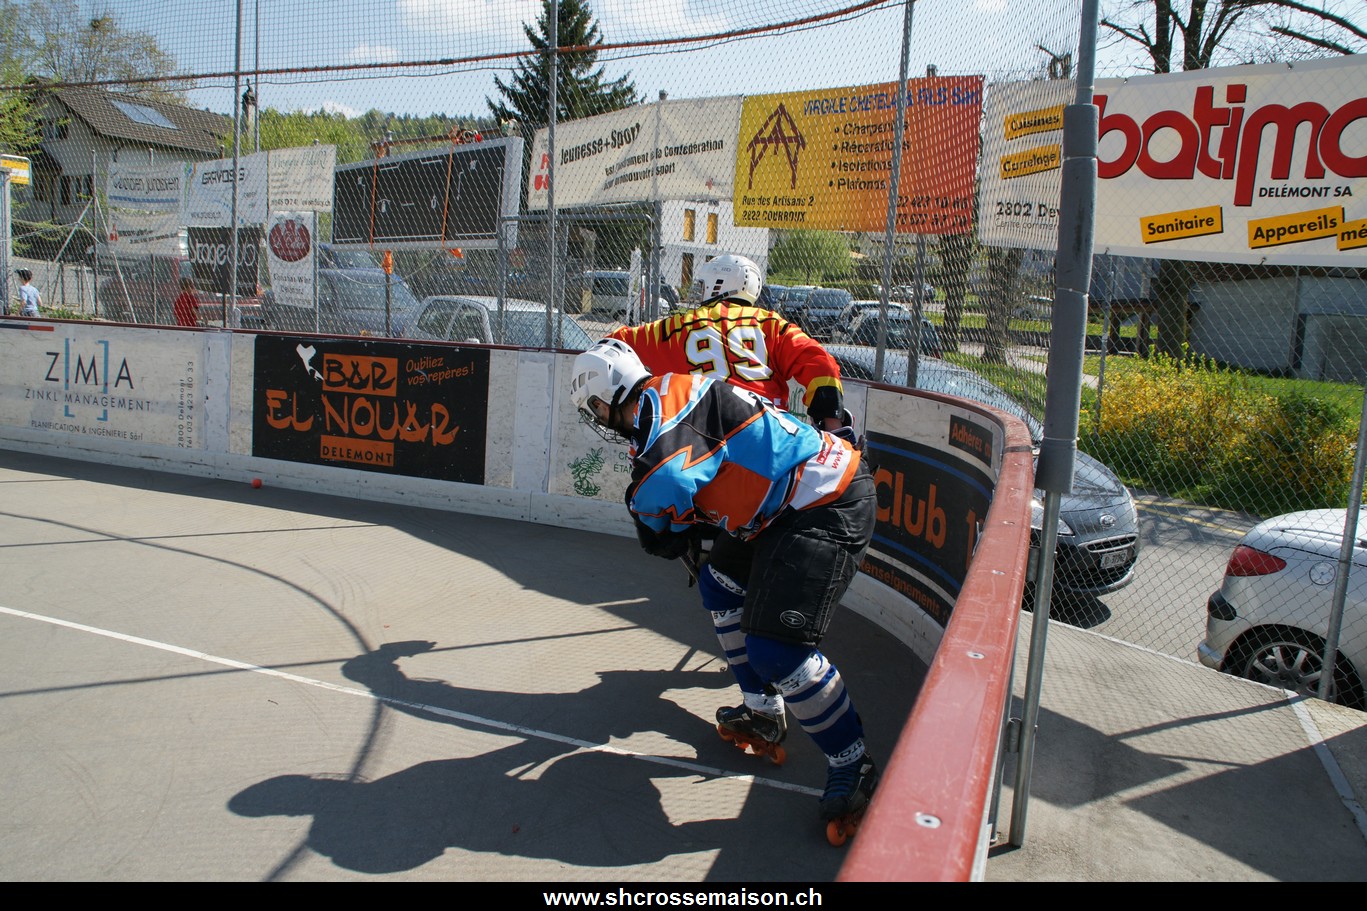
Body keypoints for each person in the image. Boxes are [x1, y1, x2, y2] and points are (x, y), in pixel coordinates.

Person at [568, 337, 879, 823]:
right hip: (781, 506)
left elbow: (666, 484)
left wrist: (658, 523)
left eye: (594, 410)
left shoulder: (664, 413)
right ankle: (762, 709)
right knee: (719, 584)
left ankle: (852, 762)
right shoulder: (661, 400)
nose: (598, 419)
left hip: (824, 502)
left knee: (777, 651)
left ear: (602, 401)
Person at [606, 253, 856, 778]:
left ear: (707, 286)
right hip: (768, 467)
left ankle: (766, 694)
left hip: (700, 469)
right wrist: (833, 423)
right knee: (738, 584)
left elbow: (615, 348)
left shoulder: (675, 326)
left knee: (721, 585)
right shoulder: (772, 325)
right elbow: (820, 367)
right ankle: (768, 690)